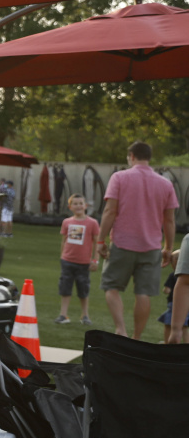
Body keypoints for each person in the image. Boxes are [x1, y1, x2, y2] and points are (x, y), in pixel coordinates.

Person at [98, 141, 179, 339]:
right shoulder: (165, 184)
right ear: (149, 157)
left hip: (122, 243)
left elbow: (110, 211)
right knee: (143, 293)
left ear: (132, 156)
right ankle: (136, 338)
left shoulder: (119, 177)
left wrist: (100, 240)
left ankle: (121, 329)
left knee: (111, 287)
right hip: (151, 247)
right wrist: (168, 247)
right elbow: (169, 220)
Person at [55, 194, 100, 325]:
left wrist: (95, 260)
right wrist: (62, 256)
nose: (78, 206)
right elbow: (64, 240)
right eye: (75, 203)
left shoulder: (92, 223)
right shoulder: (66, 222)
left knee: (83, 290)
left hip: (84, 263)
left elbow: (97, 242)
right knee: (65, 288)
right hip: (67, 261)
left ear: (86, 206)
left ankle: (85, 315)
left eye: (81, 203)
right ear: (70, 207)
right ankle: (63, 315)